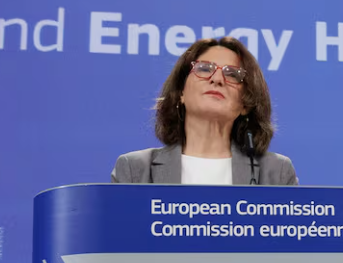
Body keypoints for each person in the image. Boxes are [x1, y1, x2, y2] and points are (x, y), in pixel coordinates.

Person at [111, 37, 298, 185]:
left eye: (232, 74)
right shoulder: (135, 170)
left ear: (245, 104)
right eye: (204, 69)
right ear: (181, 92)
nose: (217, 79)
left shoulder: (276, 172)